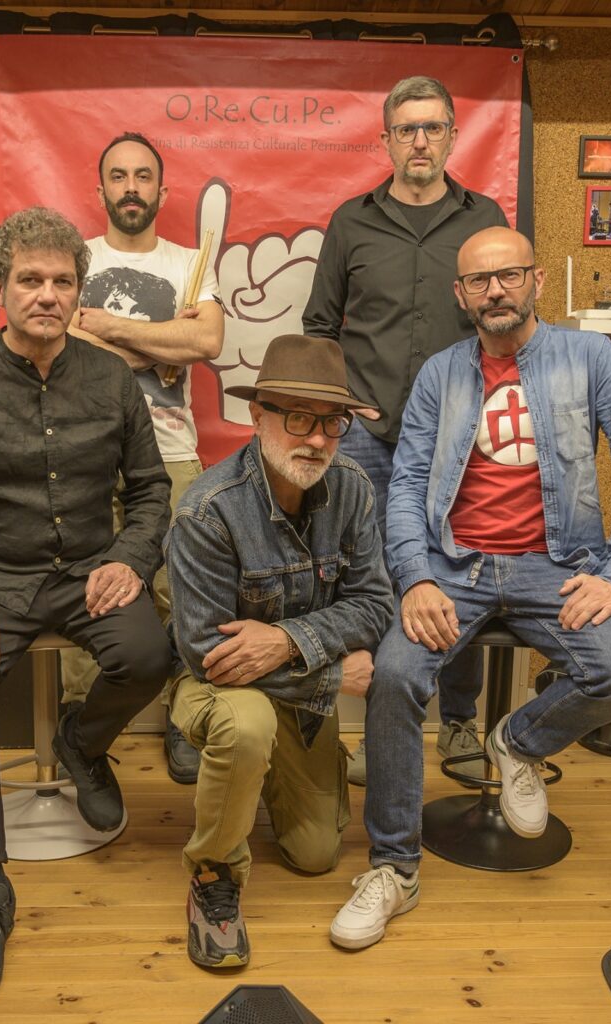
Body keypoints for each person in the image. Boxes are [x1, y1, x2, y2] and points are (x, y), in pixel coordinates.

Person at [330, 226, 611, 951]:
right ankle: (393, 868)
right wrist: (415, 576)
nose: (495, 291)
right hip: (455, 564)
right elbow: (406, 485)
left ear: (535, 280)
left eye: (508, 275)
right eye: (479, 281)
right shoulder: (440, 373)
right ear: (461, 295)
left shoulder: (590, 359)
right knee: (393, 676)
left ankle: (517, 741)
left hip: (556, 561)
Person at [0, 207, 173, 1004]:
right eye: (30, 280)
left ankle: (82, 742)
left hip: (90, 570)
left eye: (61, 281)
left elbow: (150, 491)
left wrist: (128, 558)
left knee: (149, 655)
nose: (47, 295)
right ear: (1, 290)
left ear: (79, 292)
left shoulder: (111, 379)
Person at [303, 76, 509, 785]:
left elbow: (503, 317)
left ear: (451, 135)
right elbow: (319, 325)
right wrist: (342, 403)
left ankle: (459, 721)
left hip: (462, 437)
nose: (419, 141)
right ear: (386, 139)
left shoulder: (483, 218)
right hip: (368, 437)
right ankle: (378, 729)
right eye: (406, 129)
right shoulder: (351, 222)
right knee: (372, 579)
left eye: (432, 128)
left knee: (461, 571)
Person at [164, 334, 393, 968]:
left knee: (317, 855)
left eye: (331, 422)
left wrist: (286, 640)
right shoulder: (207, 509)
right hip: (214, 686)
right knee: (246, 726)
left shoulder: (353, 489)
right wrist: (329, 674)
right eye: (297, 418)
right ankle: (212, 875)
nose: (316, 438)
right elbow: (207, 653)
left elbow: (375, 605)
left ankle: (265, 774)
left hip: (294, 690)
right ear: (257, 415)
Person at [62, 131, 224, 785]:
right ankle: (82, 727)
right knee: (87, 591)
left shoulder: (191, 262)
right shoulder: (74, 259)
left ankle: (185, 721)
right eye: (118, 175)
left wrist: (106, 326)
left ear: (162, 189)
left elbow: (207, 341)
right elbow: (60, 345)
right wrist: (161, 345)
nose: (131, 187)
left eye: (143, 176)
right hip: (83, 455)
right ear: (99, 187)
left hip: (172, 453)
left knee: (183, 593)